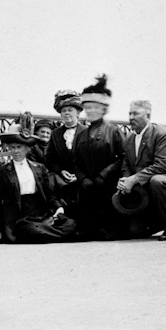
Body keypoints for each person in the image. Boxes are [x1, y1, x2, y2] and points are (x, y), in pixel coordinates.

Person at [0, 126, 74, 243]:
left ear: (26, 149)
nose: (16, 151)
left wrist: (59, 208)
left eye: (19, 147)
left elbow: (48, 193)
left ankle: (45, 232)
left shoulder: (39, 168)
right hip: (19, 217)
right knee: (29, 229)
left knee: (71, 225)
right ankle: (50, 234)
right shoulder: (2, 172)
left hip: (40, 213)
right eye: (12, 148)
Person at [115, 100, 166, 240]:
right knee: (135, 231)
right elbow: (126, 164)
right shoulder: (129, 138)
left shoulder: (162, 133)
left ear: (148, 115)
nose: (131, 117)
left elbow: (163, 165)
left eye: (135, 113)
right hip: (144, 187)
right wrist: (125, 179)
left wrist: (134, 179)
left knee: (158, 180)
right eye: (129, 113)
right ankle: (162, 216)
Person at [72, 75, 124, 239]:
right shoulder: (81, 134)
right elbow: (75, 160)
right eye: (88, 108)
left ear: (104, 109)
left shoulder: (113, 131)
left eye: (95, 107)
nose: (91, 111)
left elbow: (122, 157)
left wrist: (104, 175)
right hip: (87, 186)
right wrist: (82, 177)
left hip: (107, 185)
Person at [46, 90, 86, 209]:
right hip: (62, 181)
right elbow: (49, 158)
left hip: (83, 181)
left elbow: (93, 160)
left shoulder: (87, 132)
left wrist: (79, 176)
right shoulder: (55, 134)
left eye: (70, 110)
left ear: (78, 113)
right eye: (64, 111)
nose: (67, 113)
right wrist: (61, 171)